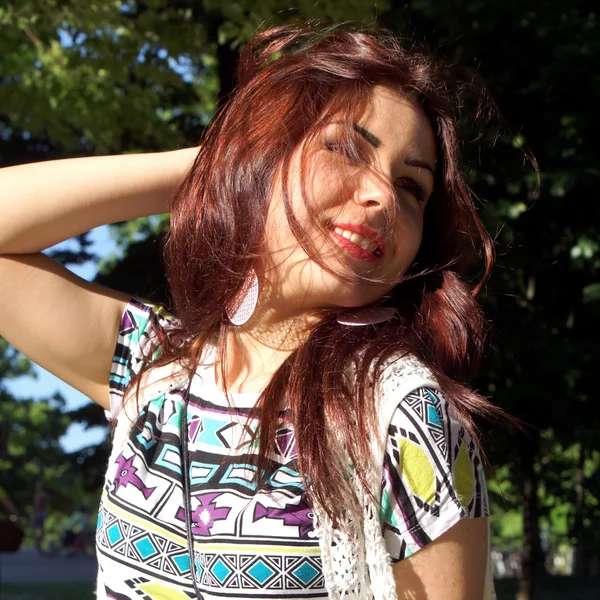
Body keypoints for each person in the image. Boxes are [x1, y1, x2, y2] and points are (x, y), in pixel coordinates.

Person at [0, 24, 514, 599]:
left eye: (412, 187)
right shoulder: (151, 366)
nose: (383, 197)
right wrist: (218, 164)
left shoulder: (404, 415)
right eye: (347, 148)